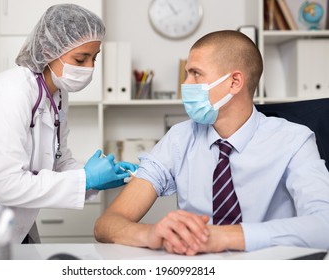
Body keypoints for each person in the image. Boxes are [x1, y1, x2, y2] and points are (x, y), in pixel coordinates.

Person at [94, 30, 329, 255]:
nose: (185, 85)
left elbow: (324, 225)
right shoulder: (179, 138)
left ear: (235, 82)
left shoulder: (294, 140)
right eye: (187, 73)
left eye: (196, 73)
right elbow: (107, 223)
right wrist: (151, 233)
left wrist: (222, 237)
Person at [0, 4, 137, 244]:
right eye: (80, 58)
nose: (90, 68)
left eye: (94, 58)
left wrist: (99, 178)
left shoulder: (57, 93)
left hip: (11, 225)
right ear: (49, 50)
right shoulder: (9, 92)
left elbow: (59, 160)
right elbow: (6, 185)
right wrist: (86, 179)